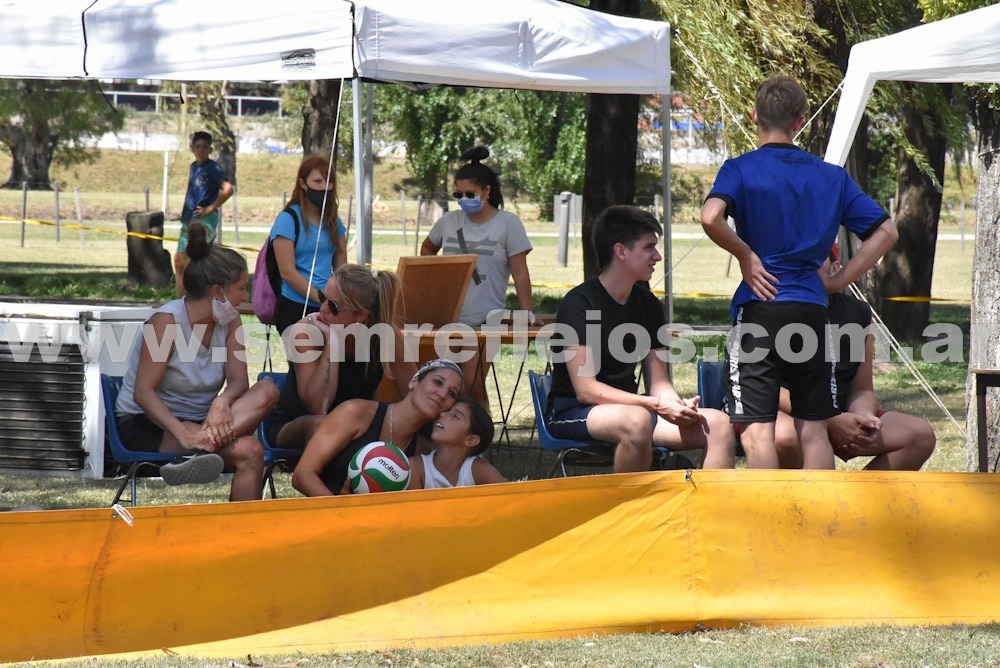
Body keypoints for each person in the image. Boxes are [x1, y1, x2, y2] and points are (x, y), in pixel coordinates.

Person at [700, 74, 898, 470]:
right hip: (811, 308)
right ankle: (817, 525)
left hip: (760, 305)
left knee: (758, 430)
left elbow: (710, 217)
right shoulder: (831, 176)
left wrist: (744, 255)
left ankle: (768, 525)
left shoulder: (739, 169)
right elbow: (886, 231)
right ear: (799, 119)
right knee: (814, 428)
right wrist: (839, 281)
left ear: (754, 115)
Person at [545, 205, 735, 473]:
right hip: (575, 411)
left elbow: (658, 382)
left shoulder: (648, 305)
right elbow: (586, 390)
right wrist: (655, 405)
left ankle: (711, 513)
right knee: (636, 421)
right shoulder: (580, 303)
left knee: (717, 424)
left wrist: (676, 405)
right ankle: (631, 513)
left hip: (633, 411)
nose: (657, 256)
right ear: (620, 251)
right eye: (649, 247)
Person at [116, 222, 280, 502]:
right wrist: (184, 434)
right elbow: (143, 393)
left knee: (268, 390)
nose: (245, 297)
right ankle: (192, 450)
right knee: (251, 451)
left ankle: (200, 455)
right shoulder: (167, 322)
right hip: (151, 423)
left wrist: (222, 402)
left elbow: (239, 380)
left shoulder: (229, 322)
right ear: (218, 292)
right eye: (241, 288)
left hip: (204, 421)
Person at [774, 251, 936, 470]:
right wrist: (829, 419)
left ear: (835, 269)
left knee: (919, 436)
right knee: (787, 437)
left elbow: (862, 388)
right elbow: (769, 388)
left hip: (841, 413)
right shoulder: (772, 309)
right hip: (789, 413)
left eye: (812, 267)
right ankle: (800, 502)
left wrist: (863, 415)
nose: (804, 273)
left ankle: (854, 503)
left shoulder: (857, 312)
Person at [266, 263, 417, 449]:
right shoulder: (306, 332)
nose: (322, 309)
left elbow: (415, 396)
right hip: (297, 426)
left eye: (333, 306)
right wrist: (333, 342)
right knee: (323, 424)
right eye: (322, 297)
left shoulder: (386, 335)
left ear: (361, 316)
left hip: (355, 427)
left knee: (417, 430)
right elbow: (318, 406)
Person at [291, 359, 464, 496]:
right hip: (327, 515)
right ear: (414, 381)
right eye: (437, 382)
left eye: (451, 393)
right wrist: (342, 512)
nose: (441, 394)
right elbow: (302, 475)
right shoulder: (356, 412)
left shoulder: (422, 451)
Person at [420, 145, 535, 328]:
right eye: (459, 194)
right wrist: (437, 277)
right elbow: (427, 248)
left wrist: (527, 313)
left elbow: (520, 272)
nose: (464, 199)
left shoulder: (509, 223)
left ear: (486, 191)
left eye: (470, 194)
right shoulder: (448, 221)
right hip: (445, 319)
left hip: (487, 320)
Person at [271, 154, 348, 334]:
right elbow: (287, 272)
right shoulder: (287, 219)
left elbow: (342, 268)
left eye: (329, 182)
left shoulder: (334, 222)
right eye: (317, 181)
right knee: (304, 361)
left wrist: (337, 301)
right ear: (303, 184)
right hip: (295, 306)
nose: (324, 187)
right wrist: (321, 299)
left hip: (330, 308)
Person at [175, 131, 234, 297]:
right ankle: (181, 301)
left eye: (205, 147)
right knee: (180, 261)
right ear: (192, 148)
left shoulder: (213, 168)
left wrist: (210, 208)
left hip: (204, 219)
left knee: (200, 260)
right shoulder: (194, 166)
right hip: (189, 218)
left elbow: (228, 189)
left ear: (210, 149)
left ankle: (204, 298)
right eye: (198, 146)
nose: (201, 150)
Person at [407, 398, 506, 489]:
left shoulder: (479, 470)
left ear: (471, 440)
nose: (442, 414)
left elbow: (512, 500)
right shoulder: (416, 468)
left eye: (455, 416)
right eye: (447, 411)